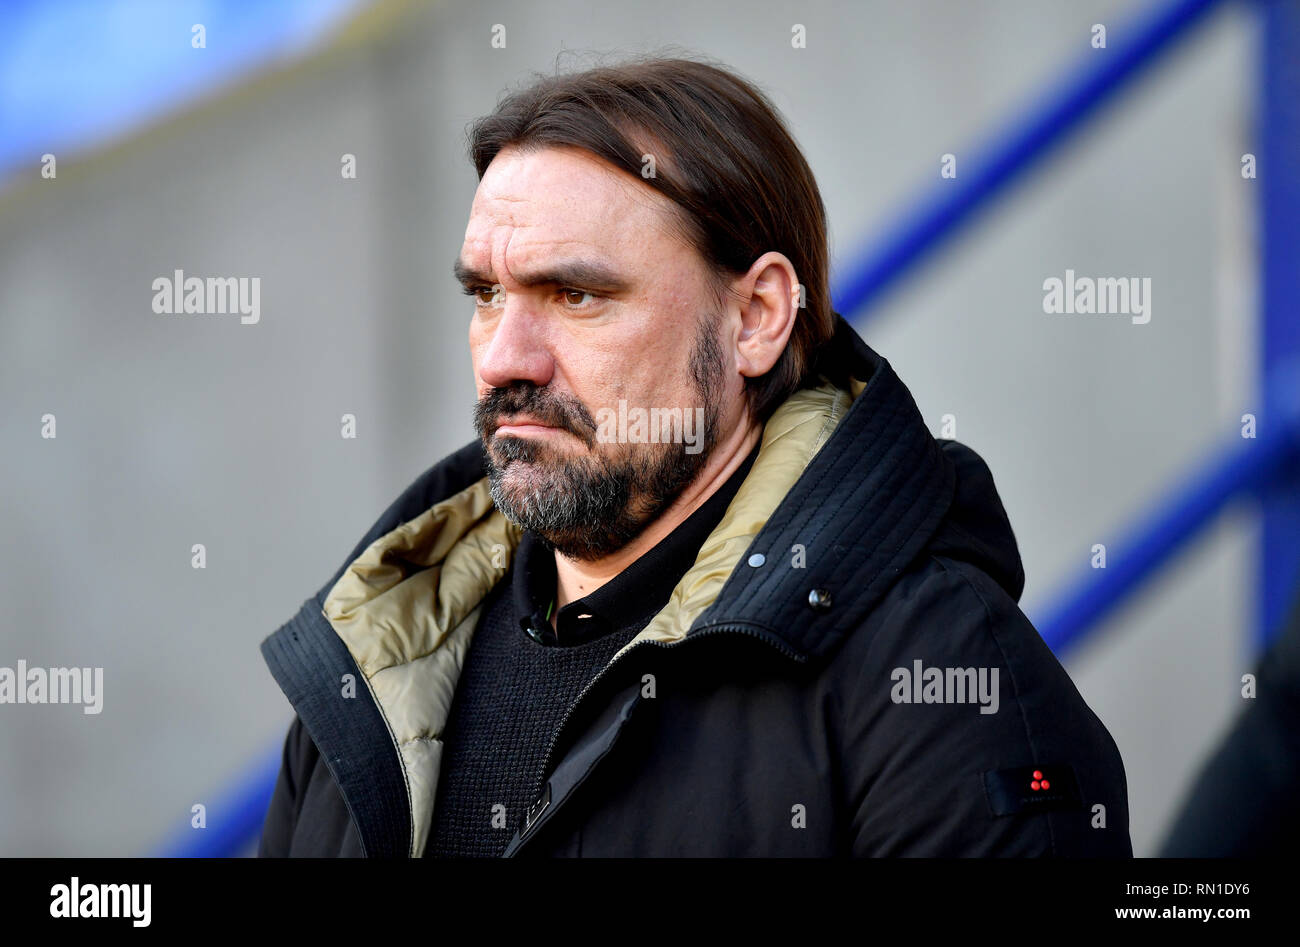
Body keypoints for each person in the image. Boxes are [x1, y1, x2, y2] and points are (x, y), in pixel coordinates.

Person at [258, 56, 1131, 857]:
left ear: (754, 317)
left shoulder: (940, 682)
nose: (503, 356)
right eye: (487, 294)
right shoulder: (375, 657)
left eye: (576, 294)